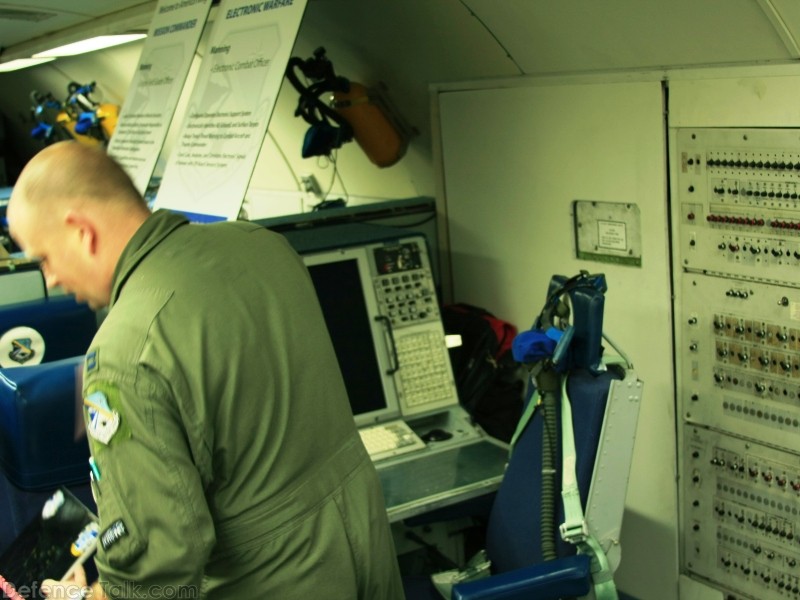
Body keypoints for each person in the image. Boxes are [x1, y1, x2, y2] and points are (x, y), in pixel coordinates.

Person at [7, 141, 405, 600]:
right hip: (366, 552)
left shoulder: (124, 350)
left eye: (43, 258)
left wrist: (82, 597)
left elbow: (156, 570)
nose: (51, 278)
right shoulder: (261, 245)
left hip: (271, 582)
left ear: (80, 230)